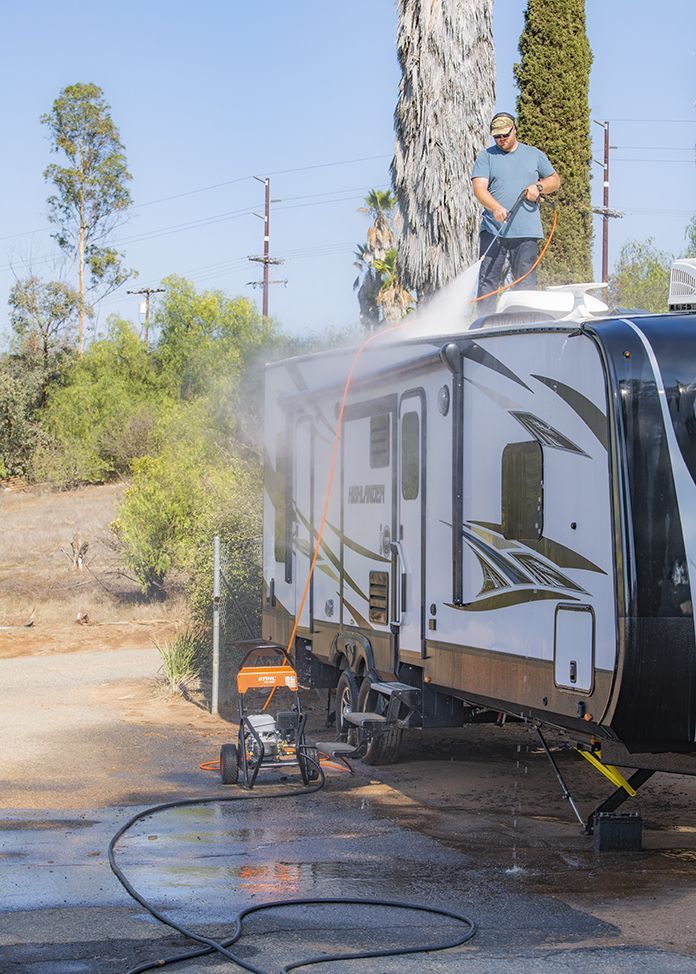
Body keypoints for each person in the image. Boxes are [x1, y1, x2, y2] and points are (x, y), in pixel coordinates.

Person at [471, 112, 560, 312]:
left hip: (526, 231)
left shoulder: (534, 155)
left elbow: (555, 180)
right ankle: (484, 325)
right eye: (497, 137)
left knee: (525, 285)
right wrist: (495, 207)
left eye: (505, 135)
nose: (501, 140)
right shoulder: (486, 157)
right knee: (487, 282)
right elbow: (479, 189)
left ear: (515, 130)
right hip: (494, 231)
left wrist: (538, 187)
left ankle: (522, 323)